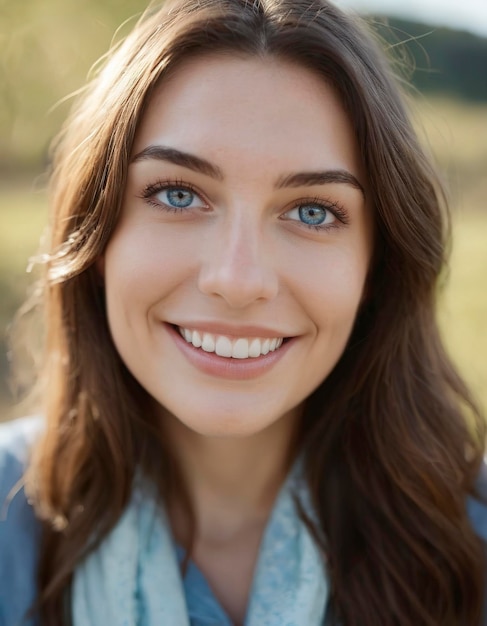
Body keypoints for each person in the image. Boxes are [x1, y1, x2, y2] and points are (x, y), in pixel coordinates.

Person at [1, 0, 486, 624]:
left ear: (376, 268)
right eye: (178, 194)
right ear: (97, 239)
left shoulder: (471, 535)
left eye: (313, 210)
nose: (237, 279)